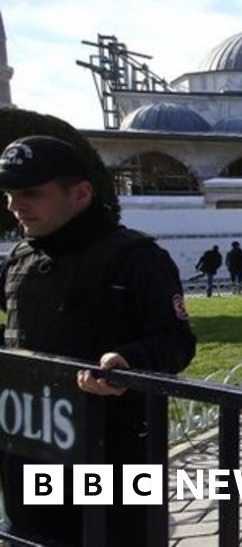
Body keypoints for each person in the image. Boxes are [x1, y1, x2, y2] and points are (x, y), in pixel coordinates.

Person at [0, 135, 196, 545]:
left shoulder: (137, 260)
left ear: (81, 193)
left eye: (31, 192)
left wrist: (129, 361)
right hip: (31, 445)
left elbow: (177, 340)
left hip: (111, 451)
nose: (16, 205)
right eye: (11, 194)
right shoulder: (22, 259)